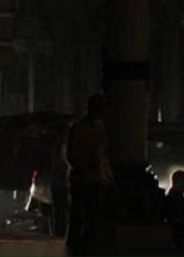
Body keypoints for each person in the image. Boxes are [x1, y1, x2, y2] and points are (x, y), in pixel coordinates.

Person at [64, 93, 115, 255]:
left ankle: (86, 247)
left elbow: (101, 155)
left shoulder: (99, 128)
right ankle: (75, 247)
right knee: (78, 216)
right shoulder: (78, 128)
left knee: (93, 217)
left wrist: (107, 176)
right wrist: (84, 171)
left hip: (95, 178)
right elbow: (71, 154)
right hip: (82, 178)